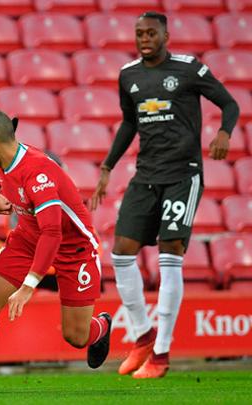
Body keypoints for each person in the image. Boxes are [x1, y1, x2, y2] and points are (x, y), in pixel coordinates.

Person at [88, 11, 239, 379]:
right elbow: (128, 123)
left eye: (151, 32)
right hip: (146, 175)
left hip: (182, 175)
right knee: (121, 251)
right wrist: (107, 167)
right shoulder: (129, 75)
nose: (144, 38)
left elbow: (229, 104)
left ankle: (162, 352)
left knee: (170, 252)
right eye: (139, 33)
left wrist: (224, 133)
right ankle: (142, 335)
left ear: (165, 35)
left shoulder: (189, 69)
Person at [0, 110, 112, 393]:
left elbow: (53, 233)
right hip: (27, 236)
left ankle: (102, 327)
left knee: (76, 337)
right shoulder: (3, 157)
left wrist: (28, 286)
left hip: (74, 248)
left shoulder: (38, 172)